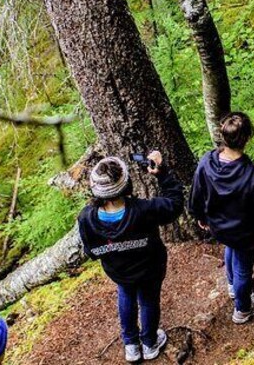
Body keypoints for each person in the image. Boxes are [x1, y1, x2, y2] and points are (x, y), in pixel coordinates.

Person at [77, 152, 183, 363]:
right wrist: (162, 173)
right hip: (150, 269)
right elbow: (175, 203)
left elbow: (91, 251)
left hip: (119, 272)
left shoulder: (86, 218)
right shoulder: (144, 210)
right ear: (126, 183)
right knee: (148, 301)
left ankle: (131, 346)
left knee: (125, 294)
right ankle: (150, 343)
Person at [189, 112, 254, 324]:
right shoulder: (253, 175)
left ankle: (232, 286)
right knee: (243, 270)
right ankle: (243, 309)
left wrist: (199, 215)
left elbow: (197, 191)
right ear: (248, 137)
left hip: (219, 226)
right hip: (245, 233)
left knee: (230, 248)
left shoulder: (206, 162)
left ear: (222, 135)